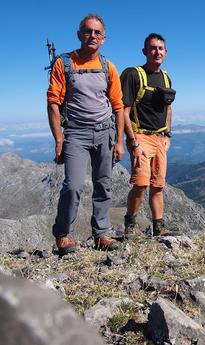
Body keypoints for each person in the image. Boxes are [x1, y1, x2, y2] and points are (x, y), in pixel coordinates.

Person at [47, 14, 125, 255]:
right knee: (73, 185)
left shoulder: (108, 67)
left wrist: (120, 141)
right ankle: (63, 234)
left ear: (104, 38)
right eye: (88, 31)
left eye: (97, 33)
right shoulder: (64, 63)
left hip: (105, 132)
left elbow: (118, 106)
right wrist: (59, 139)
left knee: (104, 185)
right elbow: (52, 103)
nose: (92, 36)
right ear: (79, 34)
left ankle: (101, 233)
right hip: (75, 134)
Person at [121, 33, 175, 238]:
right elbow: (123, 111)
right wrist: (133, 142)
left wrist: (168, 135)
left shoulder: (166, 77)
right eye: (152, 48)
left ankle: (158, 228)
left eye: (161, 48)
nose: (157, 52)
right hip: (140, 136)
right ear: (144, 51)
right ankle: (130, 224)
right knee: (141, 183)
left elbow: (168, 110)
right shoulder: (133, 75)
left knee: (158, 185)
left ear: (166, 52)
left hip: (160, 138)